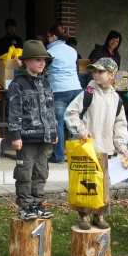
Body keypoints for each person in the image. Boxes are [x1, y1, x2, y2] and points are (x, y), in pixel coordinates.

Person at [65, 57, 128, 230]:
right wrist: (82, 131)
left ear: (112, 75)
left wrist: (121, 146)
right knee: (84, 182)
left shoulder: (117, 100)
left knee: (102, 184)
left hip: (106, 149)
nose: (96, 74)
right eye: (94, 71)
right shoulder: (87, 94)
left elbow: (120, 124)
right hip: (87, 148)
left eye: (101, 71)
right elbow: (71, 113)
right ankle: (84, 215)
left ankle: (99, 215)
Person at [7, 40, 57, 221]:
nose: (42, 63)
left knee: (41, 171)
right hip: (26, 137)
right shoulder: (18, 84)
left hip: (45, 136)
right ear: (26, 61)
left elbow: (51, 110)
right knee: (25, 171)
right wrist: (15, 134)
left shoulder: (46, 82)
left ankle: (37, 203)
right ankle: (25, 205)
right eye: (37, 59)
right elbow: (14, 111)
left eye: (44, 60)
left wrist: (54, 131)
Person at [45, 23, 82, 163]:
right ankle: (78, 154)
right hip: (76, 88)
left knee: (58, 123)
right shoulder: (72, 50)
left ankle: (58, 156)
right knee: (75, 121)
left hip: (59, 89)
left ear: (54, 36)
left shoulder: (51, 52)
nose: (47, 39)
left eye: (48, 36)